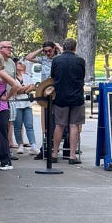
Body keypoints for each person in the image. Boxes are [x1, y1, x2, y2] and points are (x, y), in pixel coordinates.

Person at [50, 36, 87, 165]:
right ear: (74, 48)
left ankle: (54, 154)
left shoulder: (56, 60)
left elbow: (53, 77)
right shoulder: (80, 61)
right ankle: (72, 156)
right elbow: (82, 77)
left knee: (59, 125)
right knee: (74, 125)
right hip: (76, 97)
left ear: (63, 47)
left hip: (60, 96)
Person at [24, 41, 60, 158]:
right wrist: (41, 49)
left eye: (49, 50)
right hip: (45, 91)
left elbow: (69, 55)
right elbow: (28, 57)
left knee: (57, 121)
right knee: (46, 121)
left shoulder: (59, 58)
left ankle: (56, 147)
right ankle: (46, 147)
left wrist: (59, 47)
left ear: (54, 49)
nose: (48, 53)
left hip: (56, 90)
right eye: (45, 51)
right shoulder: (43, 59)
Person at [9, 60, 37, 155]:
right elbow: (15, 90)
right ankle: (20, 145)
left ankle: (33, 145)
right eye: (19, 63)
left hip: (27, 104)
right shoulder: (12, 77)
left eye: (21, 63)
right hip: (16, 104)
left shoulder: (26, 76)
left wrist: (23, 90)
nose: (21, 64)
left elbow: (33, 86)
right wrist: (25, 88)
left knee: (29, 125)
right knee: (17, 126)